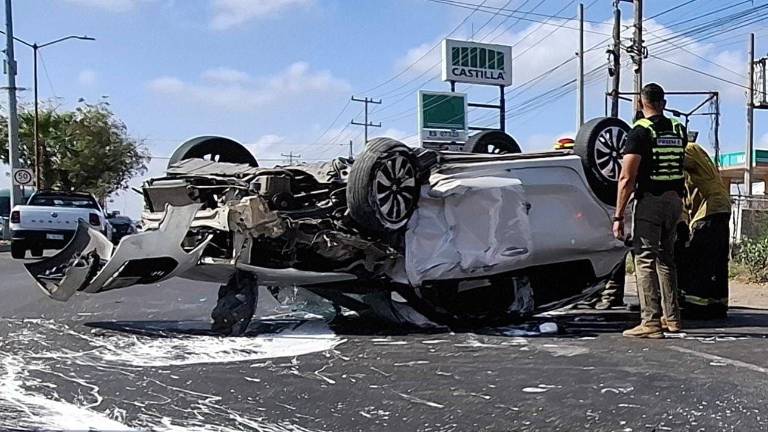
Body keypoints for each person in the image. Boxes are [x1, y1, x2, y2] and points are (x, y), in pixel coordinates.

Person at [612, 83, 686, 338]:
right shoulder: (678, 128)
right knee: (666, 259)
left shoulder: (639, 132)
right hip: (675, 200)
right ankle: (672, 318)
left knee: (643, 259)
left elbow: (626, 178)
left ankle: (650, 322)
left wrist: (619, 216)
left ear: (640, 103)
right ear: (663, 102)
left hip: (651, 201)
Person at [677, 142, 731, 319]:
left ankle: (696, 304)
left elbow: (672, 165)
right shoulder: (699, 152)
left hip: (710, 210)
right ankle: (718, 303)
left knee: (698, 258)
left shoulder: (687, 150)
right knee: (717, 261)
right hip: (721, 207)